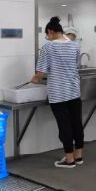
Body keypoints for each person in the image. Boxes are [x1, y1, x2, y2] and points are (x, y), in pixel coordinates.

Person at [31, 17, 84, 168]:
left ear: (50, 32)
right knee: (76, 123)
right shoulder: (74, 45)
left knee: (64, 125)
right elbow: (74, 64)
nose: (47, 37)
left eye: (46, 34)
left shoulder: (48, 47)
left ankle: (69, 160)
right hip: (74, 90)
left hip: (58, 93)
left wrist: (35, 78)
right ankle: (78, 156)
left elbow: (42, 71)